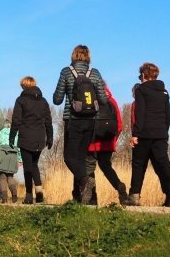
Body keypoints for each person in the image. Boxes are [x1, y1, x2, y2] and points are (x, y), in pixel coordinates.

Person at [53, 45, 108, 204]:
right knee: (81, 158)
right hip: (91, 121)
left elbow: (57, 100)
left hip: (72, 119)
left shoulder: (66, 72)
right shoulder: (95, 73)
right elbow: (103, 100)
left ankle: (85, 181)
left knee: (70, 157)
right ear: (88, 56)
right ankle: (80, 196)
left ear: (73, 55)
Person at [128, 63, 170, 207]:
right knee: (163, 162)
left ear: (144, 75)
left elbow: (140, 113)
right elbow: (168, 115)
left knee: (139, 164)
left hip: (144, 133)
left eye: (140, 75)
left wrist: (135, 134)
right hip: (160, 133)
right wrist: (163, 130)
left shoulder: (141, 90)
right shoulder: (164, 92)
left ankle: (134, 196)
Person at [10, 76, 53, 204]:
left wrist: (12, 136)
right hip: (40, 138)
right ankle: (39, 192)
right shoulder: (43, 101)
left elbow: (16, 120)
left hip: (25, 137)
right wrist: (50, 137)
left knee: (28, 167)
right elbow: (48, 121)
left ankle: (29, 195)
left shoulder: (21, 100)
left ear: (24, 86)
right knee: (34, 165)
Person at [85, 85, 127, 205]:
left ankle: (92, 200)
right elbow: (119, 125)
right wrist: (113, 140)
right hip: (107, 142)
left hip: (92, 142)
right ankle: (119, 186)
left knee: (89, 169)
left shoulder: (89, 99)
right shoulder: (112, 100)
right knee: (106, 167)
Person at [0, 119, 19, 203]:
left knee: (2, 177)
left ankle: (4, 198)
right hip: (13, 155)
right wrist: (20, 159)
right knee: (10, 176)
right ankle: (14, 193)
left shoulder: (0, 132)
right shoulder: (16, 133)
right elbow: (18, 147)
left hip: (2, 153)